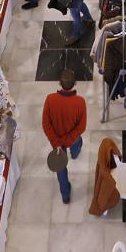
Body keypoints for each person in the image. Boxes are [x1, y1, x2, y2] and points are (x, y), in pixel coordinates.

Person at [42, 69, 88, 204]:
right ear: (74, 84)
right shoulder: (80, 102)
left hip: (56, 143)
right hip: (71, 139)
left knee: (60, 169)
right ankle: (74, 154)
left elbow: (46, 124)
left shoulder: (50, 99)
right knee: (78, 140)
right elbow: (81, 127)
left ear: (60, 84)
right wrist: (68, 140)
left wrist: (57, 144)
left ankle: (65, 195)